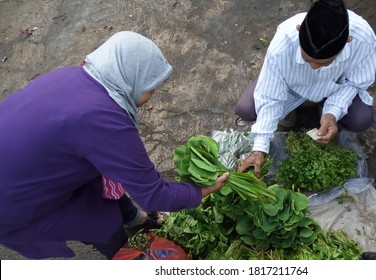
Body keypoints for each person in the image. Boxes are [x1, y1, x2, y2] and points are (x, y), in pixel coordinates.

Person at [0, 31, 229, 259]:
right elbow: (156, 196)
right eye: (149, 87)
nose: (153, 93)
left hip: (19, 166)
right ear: (129, 80)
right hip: (13, 202)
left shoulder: (76, 75)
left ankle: (133, 218)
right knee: (97, 221)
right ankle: (124, 252)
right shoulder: (105, 123)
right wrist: (202, 190)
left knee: (101, 177)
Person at [235, 0, 376, 176]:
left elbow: (354, 83)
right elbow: (270, 96)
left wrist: (332, 112)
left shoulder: (363, 40)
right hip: (291, 88)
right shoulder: (283, 43)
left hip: (333, 88)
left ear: (347, 41)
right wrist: (259, 148)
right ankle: (287, 116)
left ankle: (326, 118)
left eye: (324, 63)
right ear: (298, 29)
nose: (314, 67)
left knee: (361, 119)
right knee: (247, 109)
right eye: (308, 59)